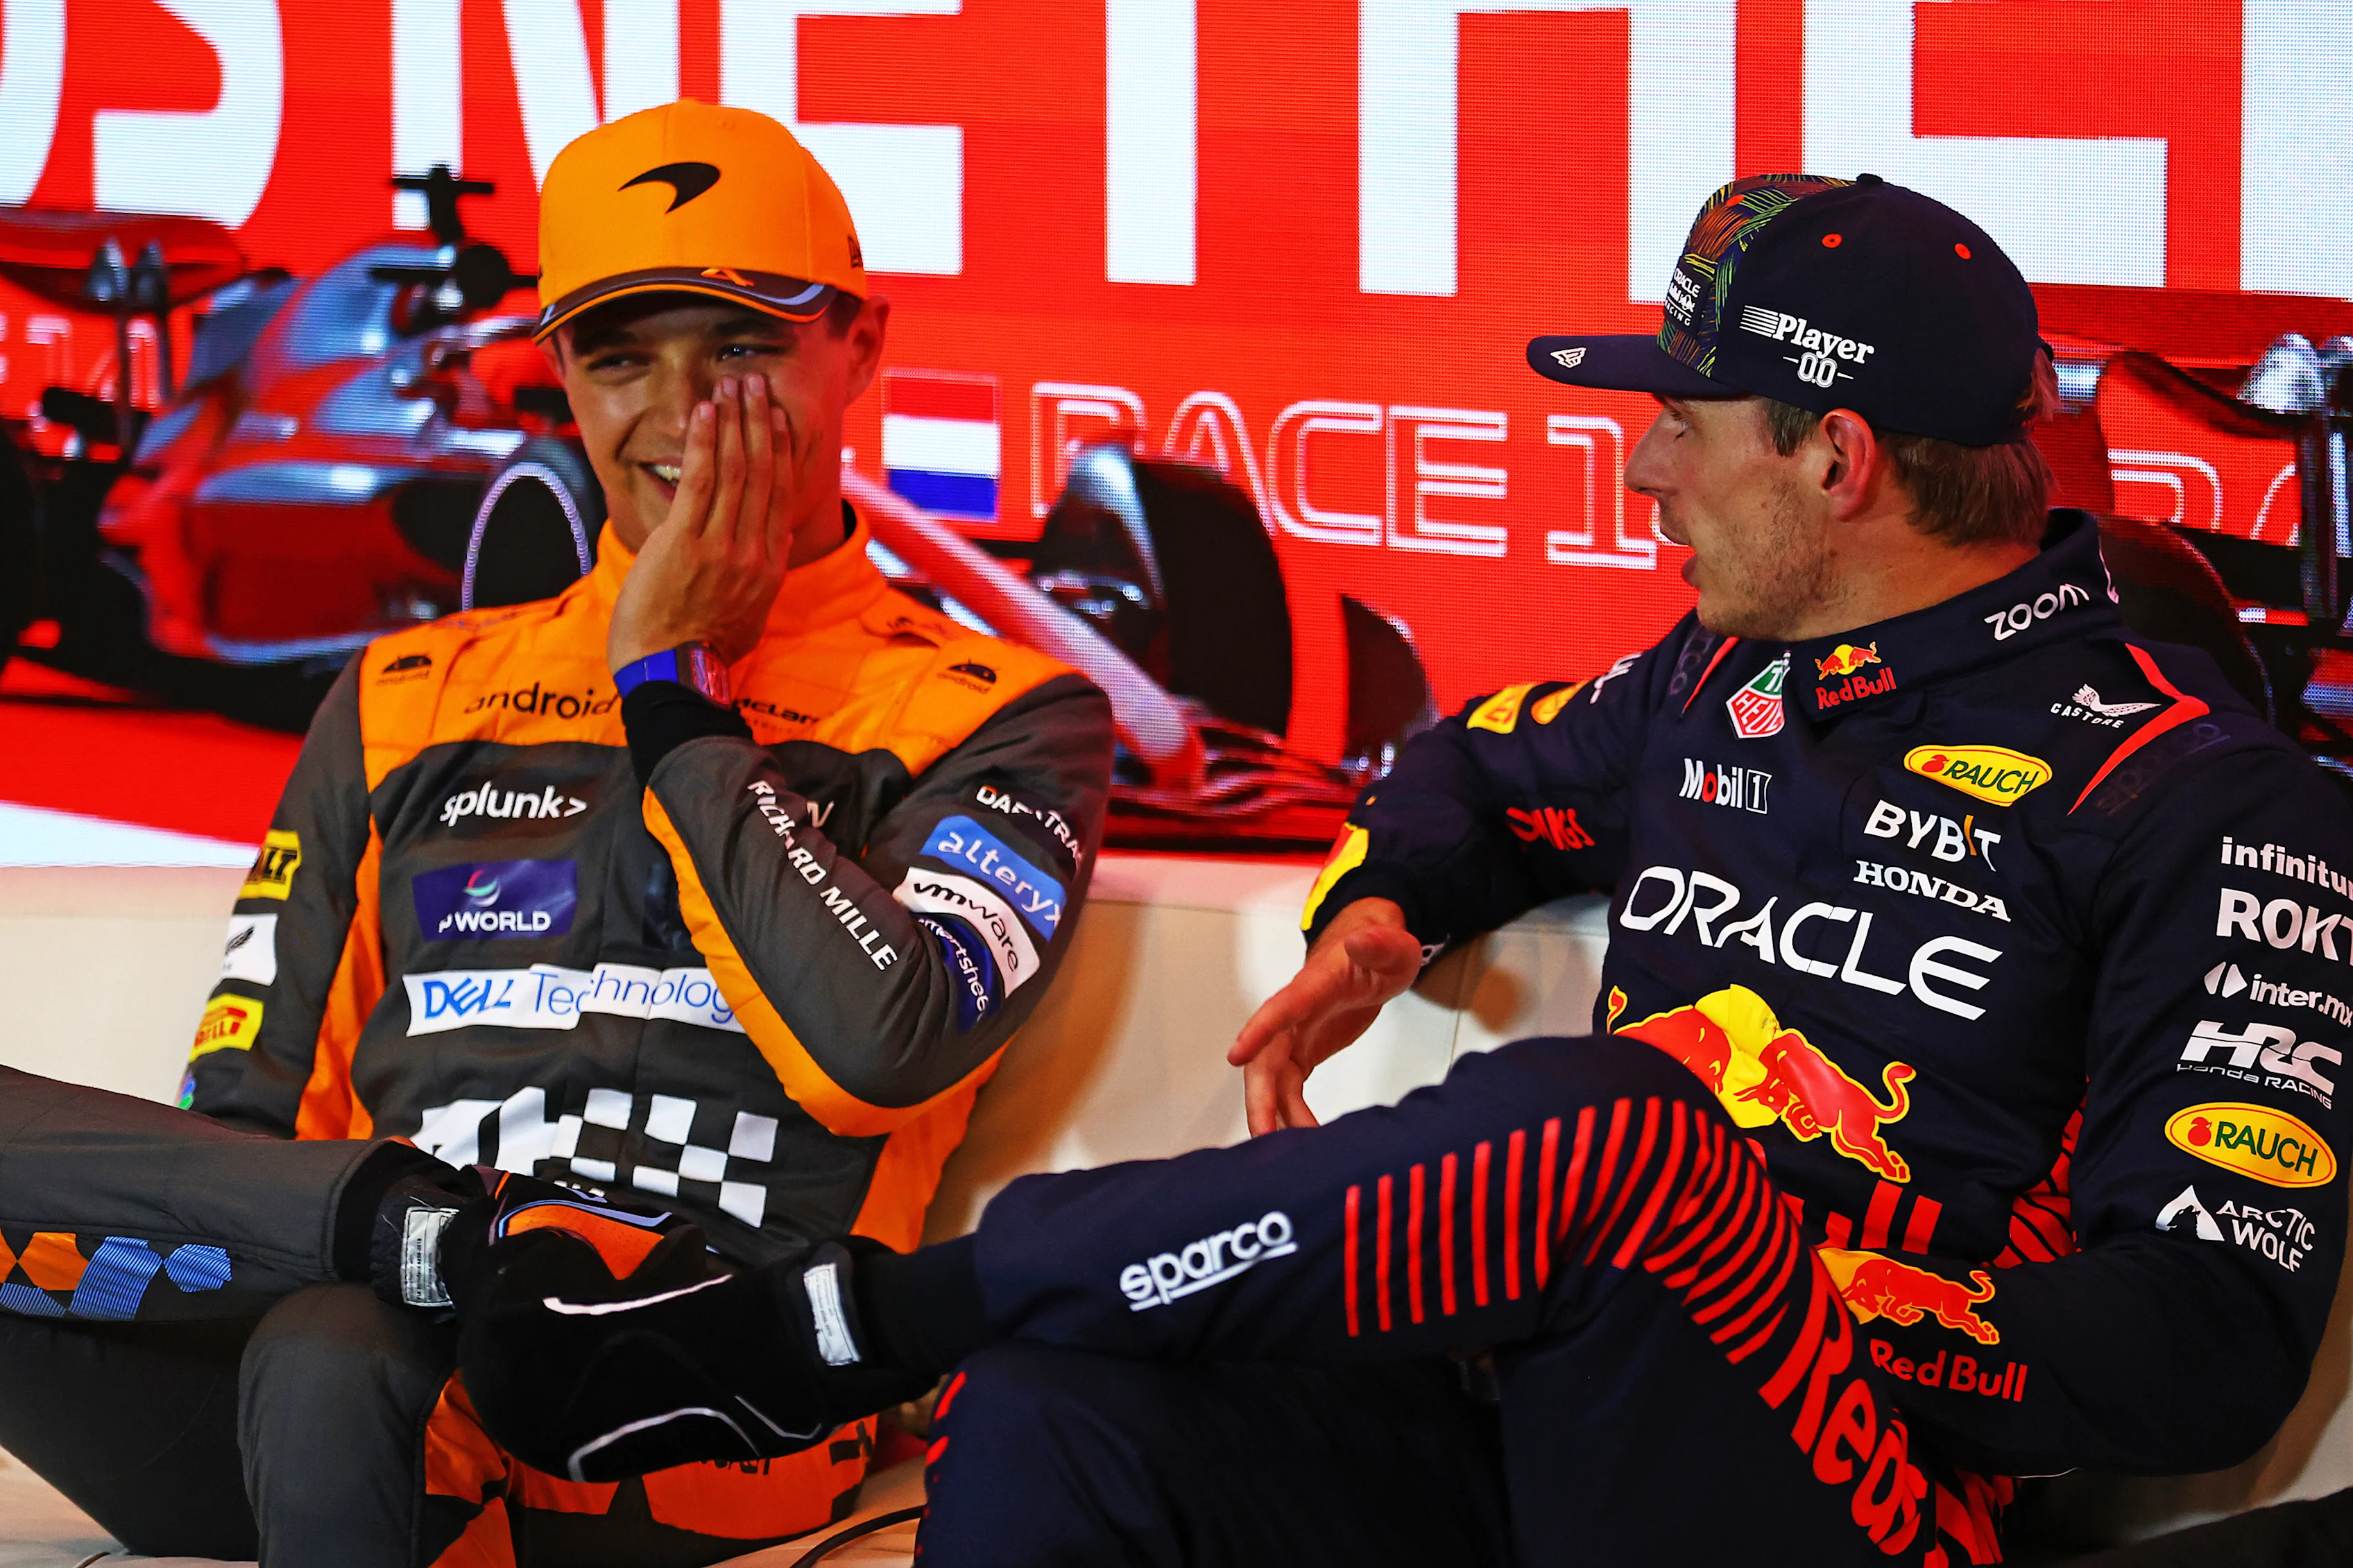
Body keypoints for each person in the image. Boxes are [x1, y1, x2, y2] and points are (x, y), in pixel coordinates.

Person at [446, 174, 2353, 1566]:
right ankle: (908, 1341)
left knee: (1619, 1137)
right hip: (1527, 1415)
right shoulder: (1718, 679)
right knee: (1062, 1417)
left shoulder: (2211, 800)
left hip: (1851, 1489)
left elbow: (2199, 1348)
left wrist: (1762, 1271)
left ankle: (836, 1328)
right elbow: (1476, 766)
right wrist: (1386, 911)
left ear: (1836, 457)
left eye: (1677, 426)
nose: (1642, 476)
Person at [0, 100, 1113, 1567]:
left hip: (699, 1389)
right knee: (331, 1330)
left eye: (742, 348)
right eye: (620, 356)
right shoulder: (404, 690)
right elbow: (240, 1128)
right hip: (349, 1363)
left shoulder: (1007, 712)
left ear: (860, 344)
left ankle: (437, 1246)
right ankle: (446, 1238)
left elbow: (879, 1048)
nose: (682, 412)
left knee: (340, 1345)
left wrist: (676, 697)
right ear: (562, 379)